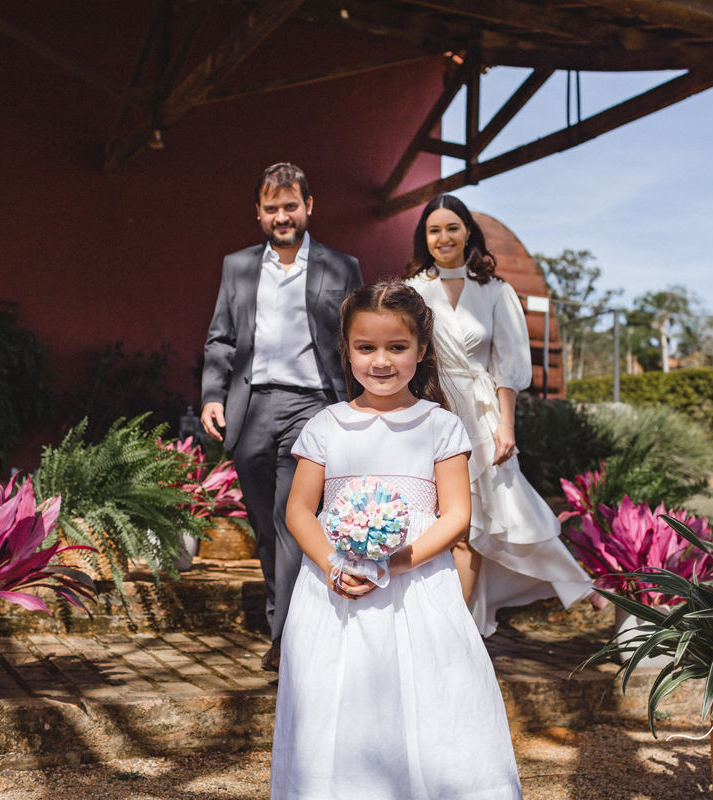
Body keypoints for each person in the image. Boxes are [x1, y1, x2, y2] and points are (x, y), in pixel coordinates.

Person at [271, 280, 522, 799]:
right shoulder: (326, 426)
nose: (380, 361)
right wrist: (333, 566)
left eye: (397, 347)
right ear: (346, 350)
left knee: (430, 697)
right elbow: (299, 509)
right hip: (334, 592)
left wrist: (396, 564)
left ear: (421, 349)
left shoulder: (440, 426)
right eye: (366, 347)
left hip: (418, 590)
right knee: (337, 701)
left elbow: (456, 514)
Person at [404, 194, 593, 637]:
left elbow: (507, 365)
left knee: (472, 526)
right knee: (432, 520)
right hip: (430, 409)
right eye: (434, 230)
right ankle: (430, 624)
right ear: (424, 238)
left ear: (468, 232)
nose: (444, 237)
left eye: (452, 227)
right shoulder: (412, 291)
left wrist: (505, 425)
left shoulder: (496, 291)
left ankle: (454, 632)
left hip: (482, 414)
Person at [200, 162, 362, 672]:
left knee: (294, 520)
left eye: (290, 206)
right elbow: (222, 338)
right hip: (253, 408)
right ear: (258, 214)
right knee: (266, 527)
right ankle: (290, 617)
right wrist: (212, 395)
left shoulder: (342, 267)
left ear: (308, 207)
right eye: (271, 208)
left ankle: (287, 638)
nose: (281, 216)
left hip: (313, 405)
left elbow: (358, 336)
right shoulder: (239, 266)